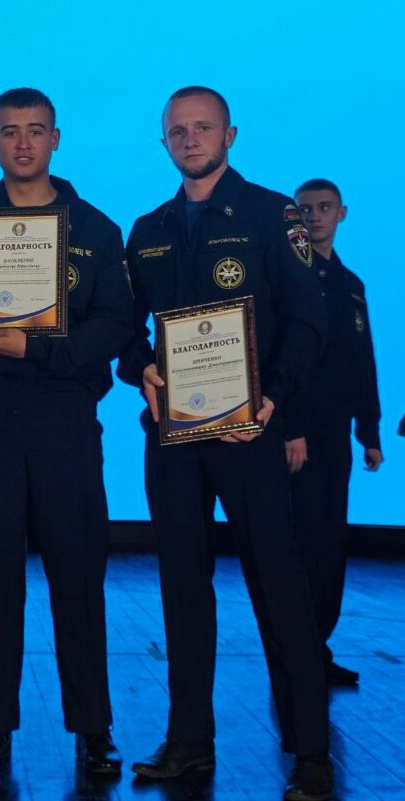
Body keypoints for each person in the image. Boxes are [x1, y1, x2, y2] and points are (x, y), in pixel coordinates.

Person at [118, 87, 333, 801]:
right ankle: (189, 742)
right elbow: (125, 329)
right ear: (164, 142)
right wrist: (140, 369)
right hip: (173, 439)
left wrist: (274, 397)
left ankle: (310, 750)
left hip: (251, 431)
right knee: (182, 586)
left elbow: (309, 321)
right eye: (177, 130)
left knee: (279, 585)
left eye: (203, 127)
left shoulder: (276, 216)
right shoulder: (147, 230)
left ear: (230, 134)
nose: (190, 139)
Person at [0, 88, 133, 777]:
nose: (23, 143)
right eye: (9, 131)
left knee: (77, 574)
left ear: (56, 138)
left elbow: (117, 324)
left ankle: (93, 726)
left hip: (63, 417)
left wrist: (42, 349)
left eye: (35, 130)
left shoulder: (97, 229)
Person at [285, 179, 383, 686]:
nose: (315, 216)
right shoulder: (287, 277)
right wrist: (292, 428)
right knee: (301, 542)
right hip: (297, 434)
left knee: (330, 542)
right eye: (305, 209)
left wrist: (371, 431)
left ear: (342, 213)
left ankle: (317, 648)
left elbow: (362, 361)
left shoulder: (352, 285)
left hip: (337, 435)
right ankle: (295, 656)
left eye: (324, 208)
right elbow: (282, 362)